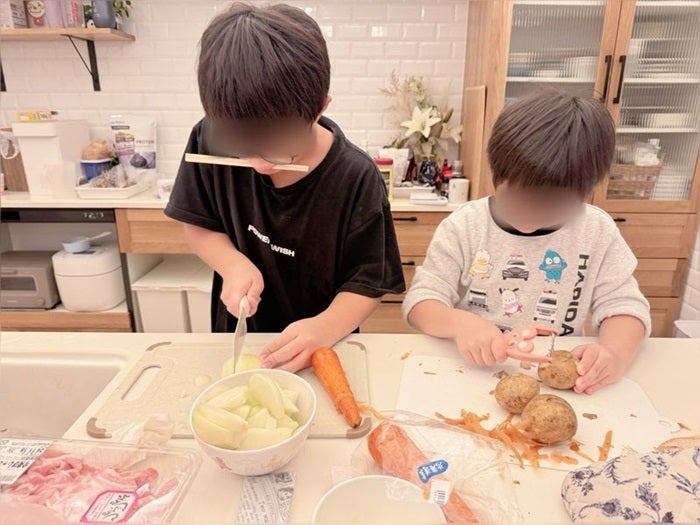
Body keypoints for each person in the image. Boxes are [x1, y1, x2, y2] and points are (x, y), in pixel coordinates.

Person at [165, 3, 404, 372]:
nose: (259, 162)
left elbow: (369, 280)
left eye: (275, 143)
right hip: (238, 342)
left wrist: (325, 328)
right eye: (243, 147)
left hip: (324, 351)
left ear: (320, 109)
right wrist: (232, 264)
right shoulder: (208, 137)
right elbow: (199, 223)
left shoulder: (356, 177)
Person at [402, 89, 651, 395]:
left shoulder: (596, 231)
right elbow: (421, 302)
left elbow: (625, 306)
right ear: (496, 171)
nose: (530, 218)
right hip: (473, 375)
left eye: (552, 206)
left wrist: (614, 354)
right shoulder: (465, 226)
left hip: (562, 386)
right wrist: (459, 323)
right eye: (519, 200)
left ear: (585, 192)